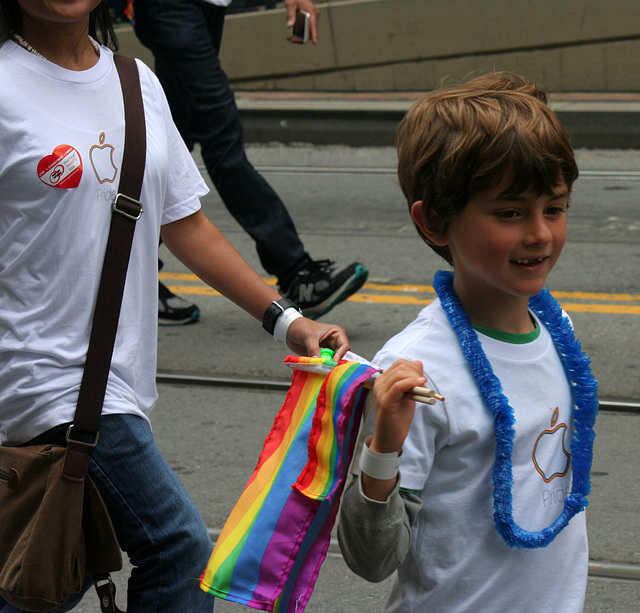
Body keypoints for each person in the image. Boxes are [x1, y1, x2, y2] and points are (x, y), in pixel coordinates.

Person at [0, 1, 352, 610]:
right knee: (180, 549)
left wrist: (287, 321)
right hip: (39, 374)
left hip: (115, 378)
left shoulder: (137, 83)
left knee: (51, 563)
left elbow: (185, 224)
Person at [337, 72, 599, 612]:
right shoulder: (416, 369)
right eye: (510, 212)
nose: (540, 234)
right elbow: (370, 557)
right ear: (435, 221)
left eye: (554, 207)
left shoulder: (559, 329)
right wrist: (383, 447)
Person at [125, 0, 369, 323]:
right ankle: (295, 270)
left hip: (209, 7)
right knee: (223, 141)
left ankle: (125, 276)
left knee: (171, 144)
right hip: (171, 7)